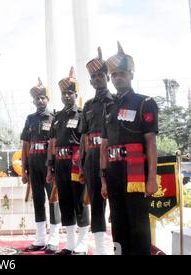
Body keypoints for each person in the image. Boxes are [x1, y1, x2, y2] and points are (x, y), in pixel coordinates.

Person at [100, 42, 158, 255]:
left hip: (135, 175)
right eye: (114, 75)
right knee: (117, 222)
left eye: (122, 74)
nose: (117, 78)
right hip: (114, 172)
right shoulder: (108, 108)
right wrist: (103, 180)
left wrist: (152, 178)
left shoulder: (144, 103)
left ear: (131, 75)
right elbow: (103, 147)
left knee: (138, 225)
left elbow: (151, 142)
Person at [47, 67, 90, 255]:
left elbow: (84, 141)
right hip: (60, 163)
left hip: (75, 162)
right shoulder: (57, 117)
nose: (66, 96)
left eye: (70, 93)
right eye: (64, 93)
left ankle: (83, 242)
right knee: (65, 202)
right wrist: (51, 167)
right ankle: (70, 243)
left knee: (79, 201)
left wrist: (83, 165)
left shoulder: (81, 114)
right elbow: (52, 143)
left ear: (76, 94)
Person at [79, 47, 114, 255]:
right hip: (92, 158)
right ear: (90, 81)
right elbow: (83, 136)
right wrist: (82, 164)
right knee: (97, 205)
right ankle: (101, 250)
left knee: (116, 202)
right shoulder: (89, 105)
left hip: (114, 158)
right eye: (94, 76)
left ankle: (119, 246)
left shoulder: (116, 101)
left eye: (101, 75)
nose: (97, 79)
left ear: (107, 77)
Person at [20, 78, 61, 254]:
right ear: (34, 101)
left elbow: (56, 144)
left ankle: (54, 239)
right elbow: (25, 145)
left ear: (48, 99)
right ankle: (40, 238)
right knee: (38, 200)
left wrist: (53, 166)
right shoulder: (29, 119)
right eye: (37, 98)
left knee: (53, 200)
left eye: (43, 98)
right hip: (34, 164)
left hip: (48, 164)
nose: (40, 101)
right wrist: (24, 169)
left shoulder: (55, 118)